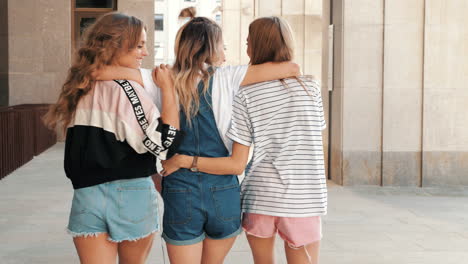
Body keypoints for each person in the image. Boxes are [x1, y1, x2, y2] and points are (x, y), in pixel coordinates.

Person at [96, 16, 300, 264]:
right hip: (223, 190)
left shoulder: (160, 78)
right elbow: (292, 69)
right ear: (213, 48)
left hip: (180, 189)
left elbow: (97, 71)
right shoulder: (228, 77)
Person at [162, 16, 327, 264]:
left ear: (257, 45)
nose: (244, 48)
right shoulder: (308, 88)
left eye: (247, 42)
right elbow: (295, 73)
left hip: (259, 194)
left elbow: (238, 159)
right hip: (303, 196)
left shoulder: (245, 92)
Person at [43, 12, 182, 264]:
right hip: (131, 193)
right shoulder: (127, 89)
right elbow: (161, 142)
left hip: (86, 194)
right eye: (139, 45)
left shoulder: (80, 87)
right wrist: (169, 90)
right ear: (116, 45)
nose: (145, 53)